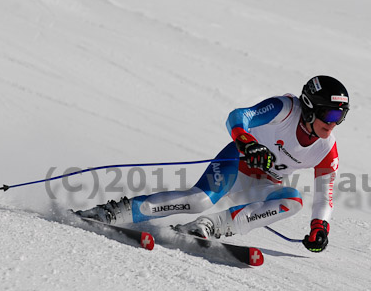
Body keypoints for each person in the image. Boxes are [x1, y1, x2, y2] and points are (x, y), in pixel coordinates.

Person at [75, 75, 349, 252]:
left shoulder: (326, 148)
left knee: (293, 201)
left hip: (262, 184)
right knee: (198, 200)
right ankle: (112, 213)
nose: (334, 122)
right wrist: (247, 142)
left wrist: (319, 227)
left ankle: (206, 227)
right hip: (235, 162)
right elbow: (238, 116)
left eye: (341, 115)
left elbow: (325, 194)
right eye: (331, 113)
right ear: (311, 107)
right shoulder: (285, 109)